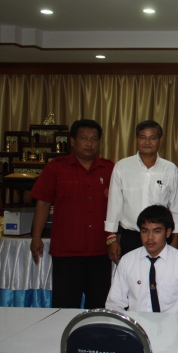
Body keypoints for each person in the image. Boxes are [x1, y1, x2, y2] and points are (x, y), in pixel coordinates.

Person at [30, 119, 114, 309]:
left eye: (94, 139)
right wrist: (36, 237)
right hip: (67, 252)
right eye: (84, 138)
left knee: (99, 307)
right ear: (72, 141)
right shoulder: (55, 168)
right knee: (64, 307)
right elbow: (43, 203)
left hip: (100, 251)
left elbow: (119, 207)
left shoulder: (109, 168)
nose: (89, 143)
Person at [105, 120, 178, 264]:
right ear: (136, 139)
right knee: (131, 276)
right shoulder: (122, 167)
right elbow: (114, 205)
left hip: (160, 238)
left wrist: (176, 238)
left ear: (160, 140)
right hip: (130, 237)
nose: (147, 142)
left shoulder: (170, 169)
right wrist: (111, 239)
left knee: (160, 276)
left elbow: (176, 207)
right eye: (142, 137)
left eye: (152, 138)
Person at [106, 205, 178, 313]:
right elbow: (114, 303)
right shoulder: (127, 260)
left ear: (168, 232)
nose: (150, 237)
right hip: (135, 323)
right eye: (145, 231)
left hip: (172, 323)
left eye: (157, 231)